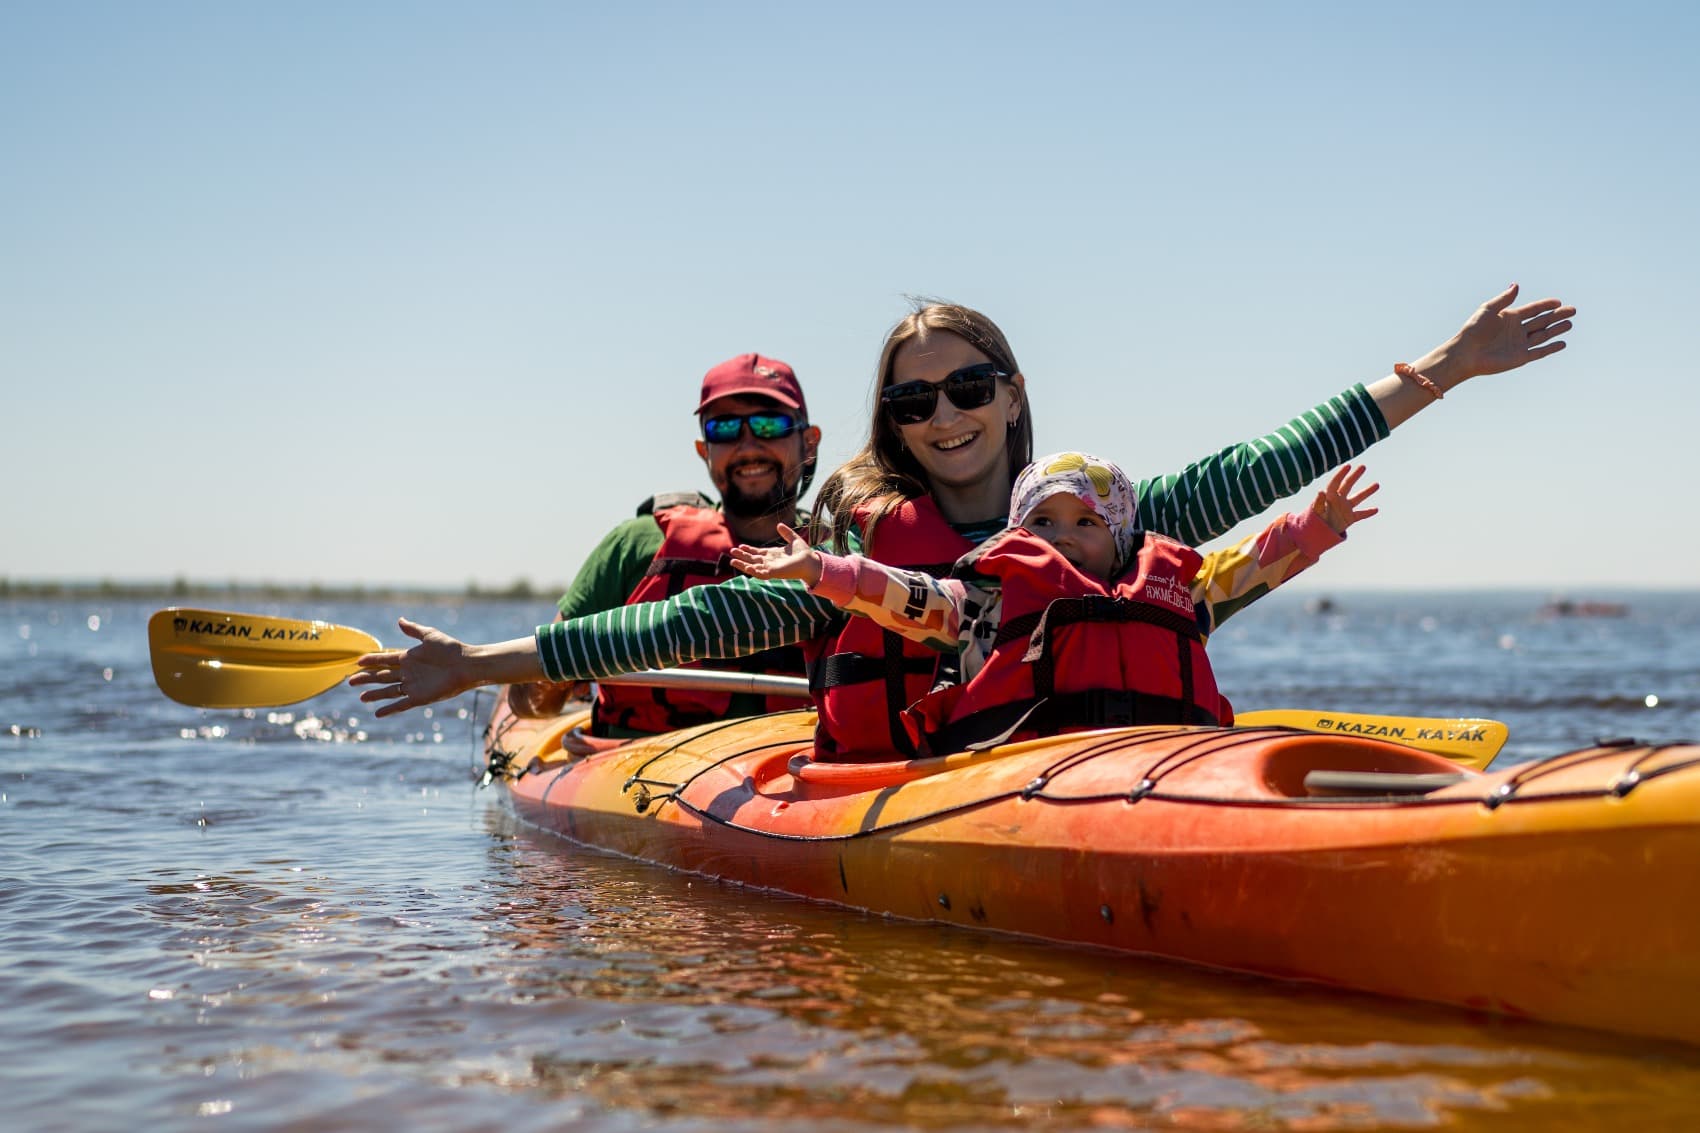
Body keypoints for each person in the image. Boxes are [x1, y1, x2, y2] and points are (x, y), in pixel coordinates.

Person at [351, 283, 1574, 761]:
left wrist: (1439, 370)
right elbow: (695, 621)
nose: (944, 416)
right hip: (930, 785)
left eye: (967, 387)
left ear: (1011, 393)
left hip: (1098, 766)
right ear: (890, 419)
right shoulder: (864, 552)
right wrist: (482, 665)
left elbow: (1266, 459)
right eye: (913, 399)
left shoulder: (1097, 515)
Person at [730, 455, 1378, 753]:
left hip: (1158, 762)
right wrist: (820, 568)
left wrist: (1316, 525)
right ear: (1016, 533)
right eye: (1041, 522)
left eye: (1086, 522)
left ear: (1121, 535)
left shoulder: (1179, 592)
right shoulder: (988, 599)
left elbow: (1250, 566)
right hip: (1021, 773)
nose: (1062, 535)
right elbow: (903, 596)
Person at [507, 353, 822, 746]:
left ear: (808, 443)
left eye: (768, 424)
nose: (748, 445)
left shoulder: (840, 557)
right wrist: (553, 682)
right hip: (639, 765)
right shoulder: (635, 545)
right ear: (703, 449)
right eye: (724, 428)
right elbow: (528, 704)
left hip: (790, 764)